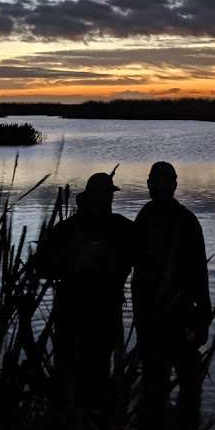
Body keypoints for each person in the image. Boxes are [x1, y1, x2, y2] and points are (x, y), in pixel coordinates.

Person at [34, 171, 133, 414]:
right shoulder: (67, 229)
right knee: (67, 372)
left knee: (98, 373)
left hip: (106, 314)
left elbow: (146, 253)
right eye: (102, 194)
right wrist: (74, 262)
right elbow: (40, 266)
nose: (106, 199)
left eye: (108, 194)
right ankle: (68, 422)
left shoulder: (121, 227)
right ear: (89, 196)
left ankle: (94, 425)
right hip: (71, 314)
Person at [131, 161, 211, 430]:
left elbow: (200, 271)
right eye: (157, 181)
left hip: (179, 314)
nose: (161, 186)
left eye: (167, 181)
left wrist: (202, 319)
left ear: (174, 185)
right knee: (154, 378)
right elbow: (132, 260)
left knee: (188, 382)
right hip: (149, 314)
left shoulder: (186, 221)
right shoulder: (145, 216)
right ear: (150, 184)